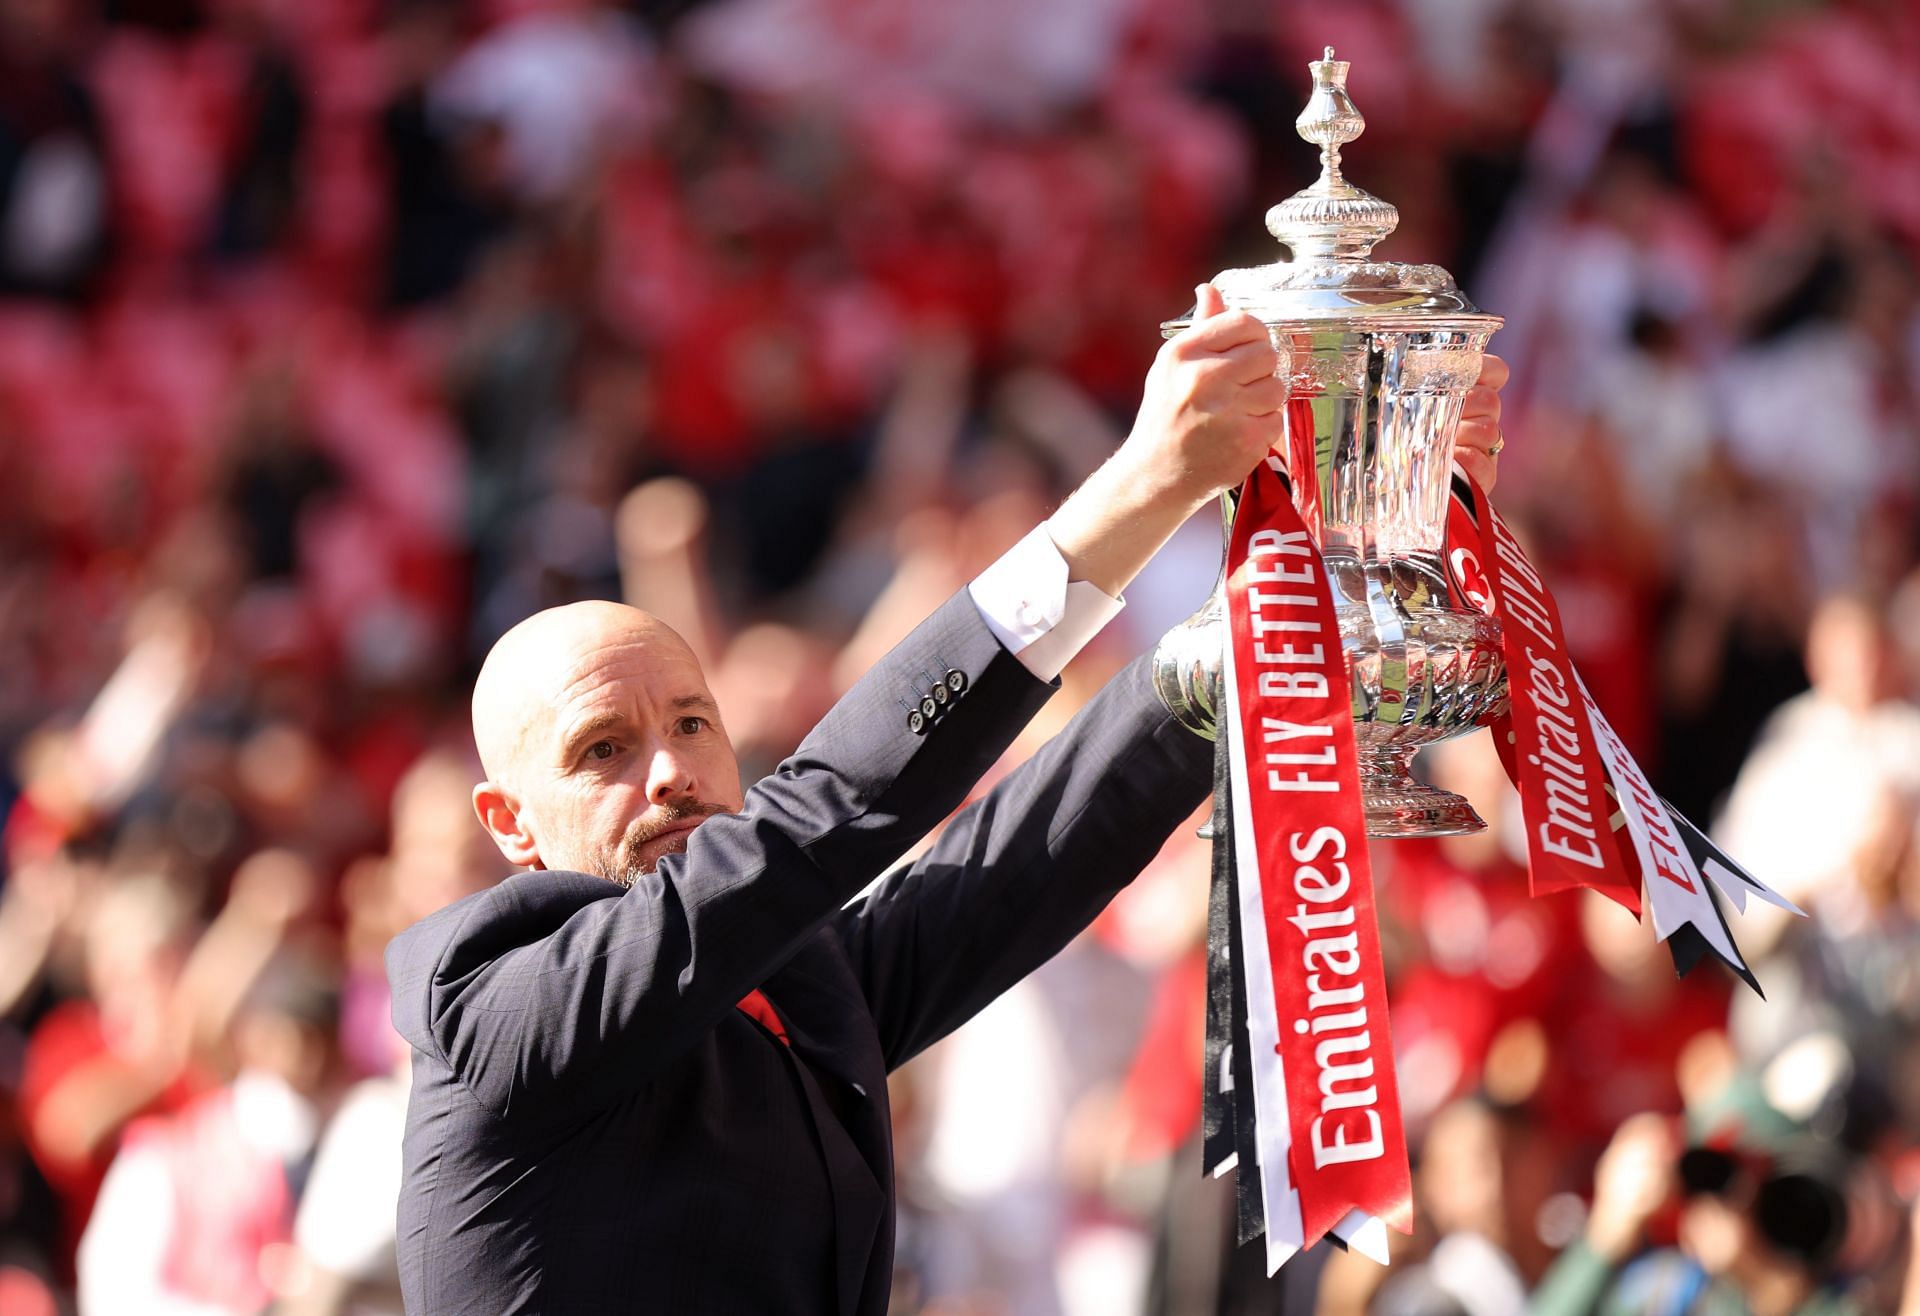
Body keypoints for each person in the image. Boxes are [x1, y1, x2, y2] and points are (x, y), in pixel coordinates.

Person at [386, 286, 1509, 1314]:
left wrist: (1308, 580)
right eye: (602, 748)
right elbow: (814, 819)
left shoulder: (802, 991)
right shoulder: (485, 1003)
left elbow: (1026, 857)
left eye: (693, 723)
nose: (671, 769)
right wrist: (1143, 486)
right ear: (510, 823)